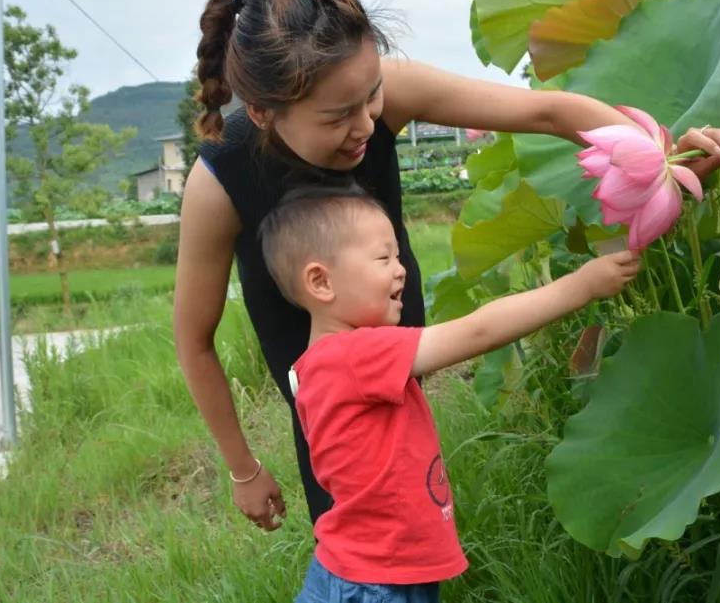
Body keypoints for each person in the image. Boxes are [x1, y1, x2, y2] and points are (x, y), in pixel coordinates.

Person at [173, 0, 720, 533]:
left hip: (403, 347)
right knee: (351, 531)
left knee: (417, 509)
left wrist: (661, 157)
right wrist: (243, 470)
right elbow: (194, 341)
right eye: (337, 116)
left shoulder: (384, 97)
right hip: (321, 390)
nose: (366, 124)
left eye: (371, 94)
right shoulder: (219, 184)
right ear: (262, 112)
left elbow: (548, 112)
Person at [257, 184, 641, 602]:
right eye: (383, 257)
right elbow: (479, 330)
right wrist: (581, 286)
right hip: (377, 582)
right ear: (320, 281)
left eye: (398, 256)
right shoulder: (358, 355)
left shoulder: (314, 364)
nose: (401, 268)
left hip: (357, 570)